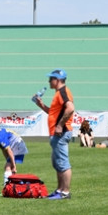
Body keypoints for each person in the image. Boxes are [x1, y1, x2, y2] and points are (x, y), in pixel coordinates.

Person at [33, 69, 74, 200]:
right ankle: (59, 190)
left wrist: (60, 125)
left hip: (61, 133)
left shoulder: (62, 92)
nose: (49, 81)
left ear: (57, 80)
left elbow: (70, 108)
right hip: (56, 134)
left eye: (51, 79)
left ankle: (65, 192)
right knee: (57, 163)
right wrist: (41, 105)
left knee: (62, 163)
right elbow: (53, 113)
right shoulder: (58, 93)